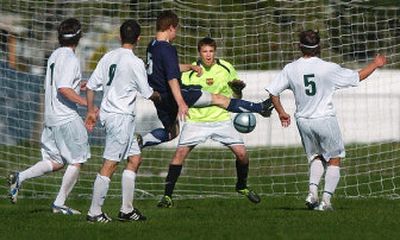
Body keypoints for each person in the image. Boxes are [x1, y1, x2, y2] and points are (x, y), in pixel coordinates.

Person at [266, 30, 387, 211]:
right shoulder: (327, 68)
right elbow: (357, 76)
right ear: (319, 47)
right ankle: (325, 201)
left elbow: (273, 92)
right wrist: (375, 64)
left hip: (303, 122)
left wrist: (282, 112)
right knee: (334, 159)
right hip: (324, 119)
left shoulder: (290, 68)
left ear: (300, 46)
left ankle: (312, 192)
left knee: (317, 156)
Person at [140, 10, 274, 148]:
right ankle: (260, 107)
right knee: (218, 99)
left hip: (160, 98)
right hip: (173, 95)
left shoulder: (152, 45)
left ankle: (140, 142)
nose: (176, 33)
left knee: (172, 133)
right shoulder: (167, 48)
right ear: (171, 28)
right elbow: (172, 77)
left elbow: (166, 68)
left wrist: (190, 67)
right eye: (176, 30)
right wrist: (181, 102)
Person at [157, 37, 261, 208]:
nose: (208, 55)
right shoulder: (190, 72)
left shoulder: (226, 68)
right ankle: (167, 197)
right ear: (199, 52)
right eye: (204, 51)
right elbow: (182, 97)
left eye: (211, 51)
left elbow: (236, 98)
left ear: (215, 52)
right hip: (196, 121)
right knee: (179, 155)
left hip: (221, 119)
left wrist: (237, 90)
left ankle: (241, 186)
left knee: (242, 154)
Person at [7, 18, 89, 215]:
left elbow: (62, 84)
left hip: (51, 117)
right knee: (77, 160)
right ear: (78, 37)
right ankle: (59, 204)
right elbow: (63, 88)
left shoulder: (54, 55)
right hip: (65, 117)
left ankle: (20, 177)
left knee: (57, 161)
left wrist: (79, 86)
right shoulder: (70, 58)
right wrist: (86, 103)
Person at [84, 20, 159, 223]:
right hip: (120, 118)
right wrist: (165, 96)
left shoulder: (108, 56)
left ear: (119, 37)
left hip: (116, 116)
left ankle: (126, 209)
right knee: (110, 164)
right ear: (139, 39)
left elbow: (90, 86)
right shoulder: (134, 62)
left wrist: (91, 110)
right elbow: (148, 93)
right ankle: (94, 212)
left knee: (135, 159)